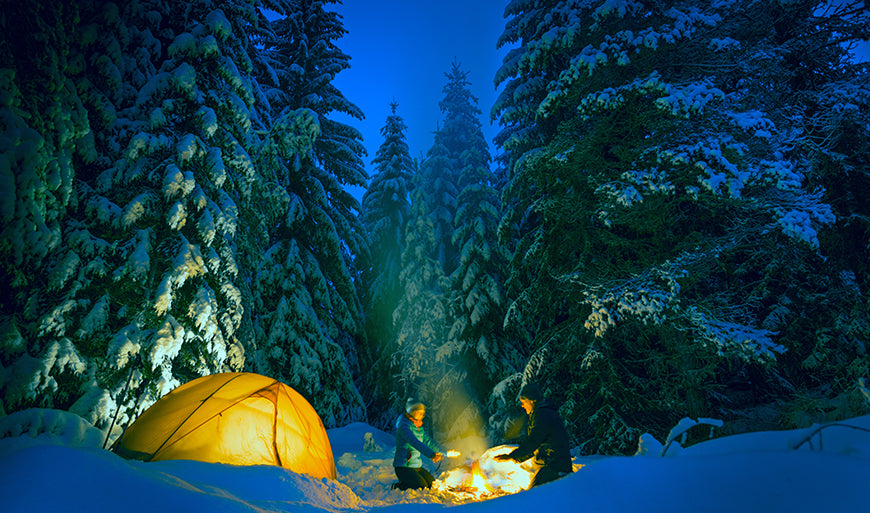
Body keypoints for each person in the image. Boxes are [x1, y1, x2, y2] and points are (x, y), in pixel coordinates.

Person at [494, 382, 573, 487]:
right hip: (554, 465)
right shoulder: (542, 413)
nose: (522, 405)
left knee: (531, 498)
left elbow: (533, 442)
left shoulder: (542, 415)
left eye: (524, 401)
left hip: (553, 466)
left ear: (532, 400)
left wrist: (512, 456)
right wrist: (515, 458)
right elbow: (536, 446)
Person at [392, 397, 443, 490]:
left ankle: (411, 480)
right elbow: (415, 442)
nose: (422, 415)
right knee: (420, 486)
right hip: (403, 467)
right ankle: (398, 487)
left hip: (416, 466)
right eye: (419, 413)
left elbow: (428, 442)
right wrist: (431, 454)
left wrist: (444, 452)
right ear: (411, 412)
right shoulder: (404, 427)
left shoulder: (418, 427)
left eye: (423, 413)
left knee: (432, 484)